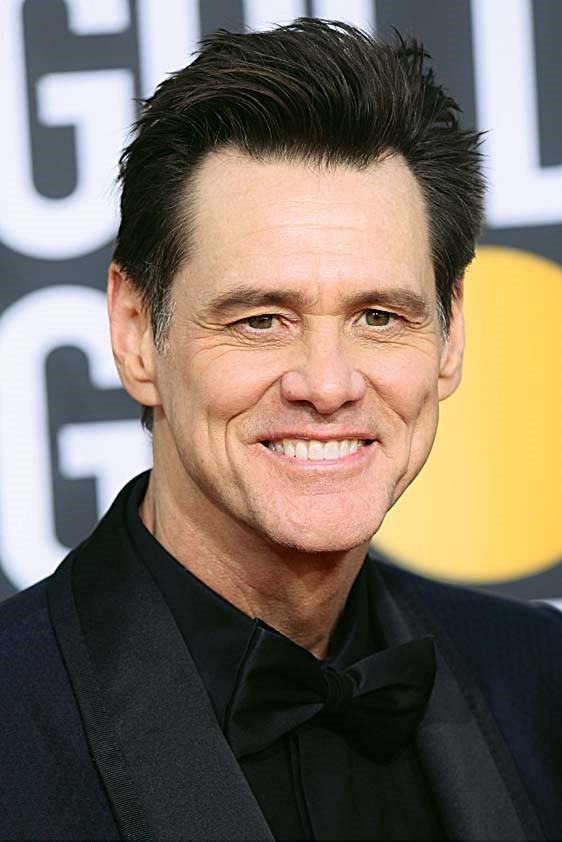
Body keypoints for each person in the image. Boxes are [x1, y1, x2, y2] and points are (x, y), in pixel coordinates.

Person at [1, 17, 560, 842]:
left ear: (449, 339)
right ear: (134, 333)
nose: (328, 385)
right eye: (261, 320)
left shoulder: (541, 678)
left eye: (379, 317)